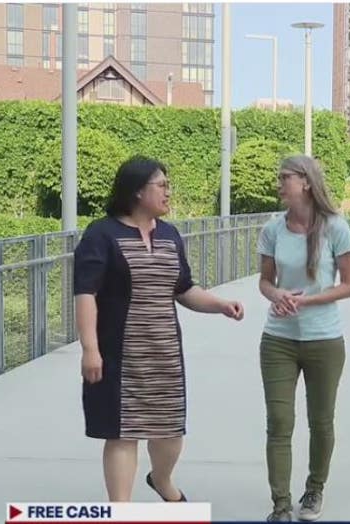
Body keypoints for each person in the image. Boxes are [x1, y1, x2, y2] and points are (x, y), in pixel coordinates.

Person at [73, 156, 244, 502]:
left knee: (169, 431)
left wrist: (220, 305)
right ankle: (120, 508)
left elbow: (183, 288)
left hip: (164, 353)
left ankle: (162, 480)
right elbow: (85, 292)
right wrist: (90, 349)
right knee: (122, 433)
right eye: (161, 186)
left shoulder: (169, 235)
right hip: (120, 355)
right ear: (137, 191)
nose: (168, 192)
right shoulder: (101, 234)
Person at [257, 155, 350, 522]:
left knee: (321, 420)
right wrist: (277, 295)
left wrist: (307, 299)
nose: (279, 183)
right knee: (279, 422)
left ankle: (314, 489)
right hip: (278, 339)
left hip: (324, 340)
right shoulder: (272, 230)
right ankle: (280, 505)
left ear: (306, 182)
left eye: (285, 177)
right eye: (280, 177)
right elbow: (265, 281)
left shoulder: (335, 227)